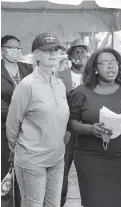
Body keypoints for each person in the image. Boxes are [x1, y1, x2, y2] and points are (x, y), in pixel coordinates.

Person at [68, 47, 121, 207]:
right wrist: (91, 129)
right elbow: (71, 123)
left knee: (120, 202)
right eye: (104, 63)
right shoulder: (80, 93)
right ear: (95, 68)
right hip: (89, 157)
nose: (110, 66)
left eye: (114, 62)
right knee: (93, 202)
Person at [6, 32, 70, 207]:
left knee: (53, 205)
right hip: (32, 161)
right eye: (47, 50)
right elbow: (12, 124)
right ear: (36, 56)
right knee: (32, 204)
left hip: (57, 158)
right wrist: (21, 150)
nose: (53, 54)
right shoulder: (26, 85)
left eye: (56, 50)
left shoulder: (59, 84)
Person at [56, 38, 89, 207]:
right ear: (69, 56)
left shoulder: (94, 78)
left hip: (88, 130)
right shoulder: (59, 76)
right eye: (75, 52)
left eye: (82, 51)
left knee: (89, 173)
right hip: (66, 130)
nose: (79, 55)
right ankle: (59, 202)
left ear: (88, 55)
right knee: (62, 170)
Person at [1, 35, 33, 207]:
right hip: (4, 129)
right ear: (2, 49)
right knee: (5, 173)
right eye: (11, 47)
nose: (15, 51)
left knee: (25, 172)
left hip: (28, 130)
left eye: (18, 48)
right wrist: (17, 115)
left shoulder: (28, 69)